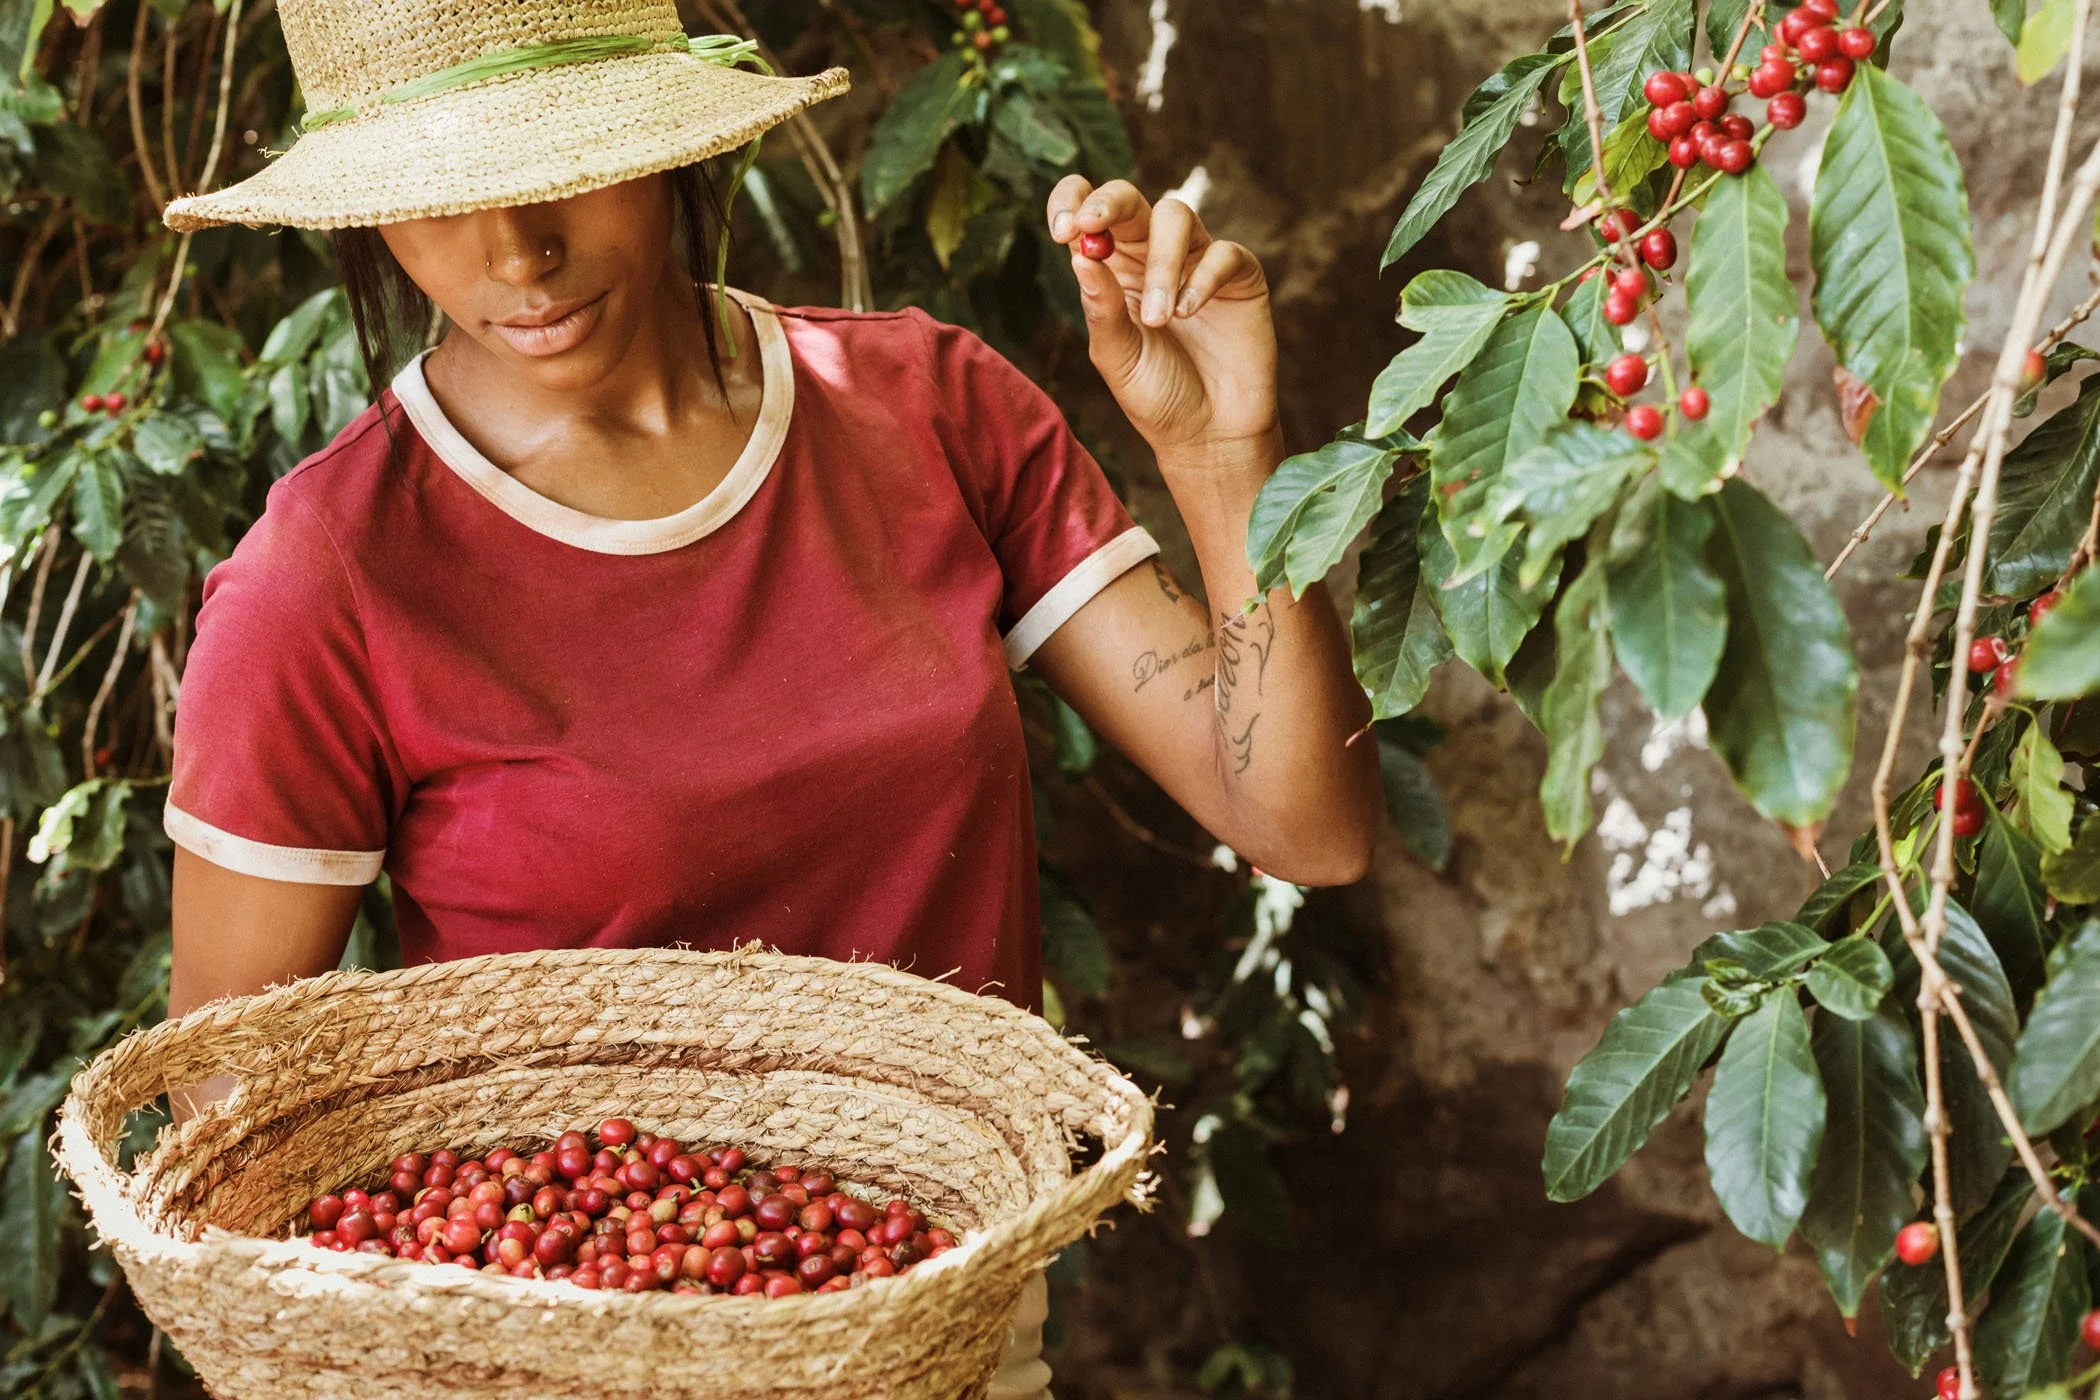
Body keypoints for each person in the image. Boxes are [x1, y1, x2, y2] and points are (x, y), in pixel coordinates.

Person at [159, 0, 1380, 1390]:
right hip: (562, 1355)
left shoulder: (928, 410)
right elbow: (232, 1115)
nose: (516, 254)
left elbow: (1306, 827)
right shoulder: (330, 577)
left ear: (672, 146)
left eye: (566, 169)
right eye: (439, 200)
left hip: (943, 1330)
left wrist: (1227, 457)